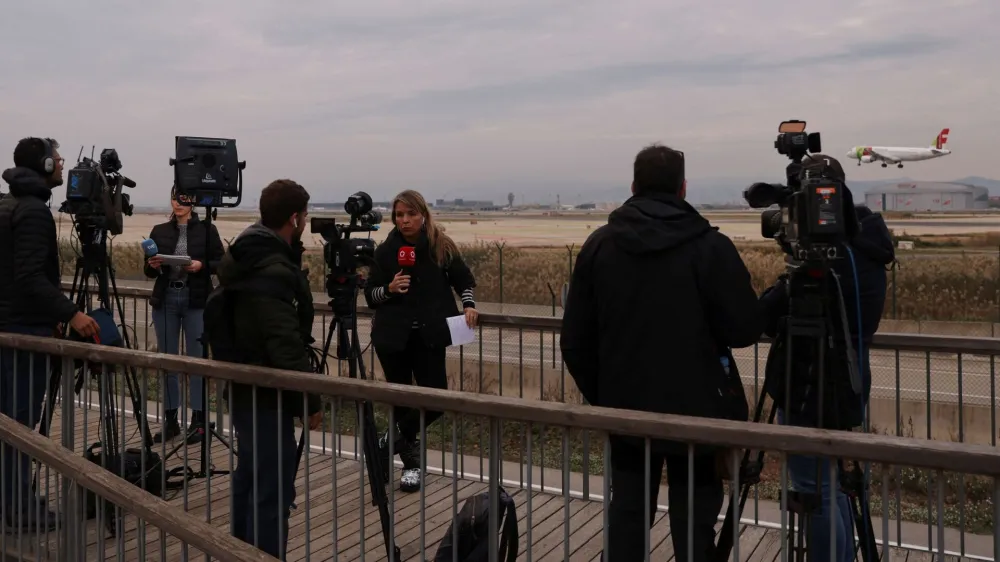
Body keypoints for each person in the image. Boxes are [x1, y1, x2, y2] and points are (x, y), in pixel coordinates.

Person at [560, 143, 763, 561]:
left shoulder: (599, 246)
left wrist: (606, 395)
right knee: (695, 526)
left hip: (627, 414)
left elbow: (575, 341)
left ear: (633, 186)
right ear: (683, 188)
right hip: (699, 417)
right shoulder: (710, 247)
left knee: (628, 517)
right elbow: (744, 329)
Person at [758, 155, 894, 562]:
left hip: (809, 380)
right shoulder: (868, 250)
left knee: (814, 487)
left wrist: (790, 280)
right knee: (835, 482)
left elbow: (761, 318)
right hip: (852, 376)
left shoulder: (831, 259)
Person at [217, 179, 324, 560]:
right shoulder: (273, 269)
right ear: (294, 218)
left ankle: (238, 550)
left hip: (245, 386)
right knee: (273, 488)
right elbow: (285, 345)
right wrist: (308, 399)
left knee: (250, 476)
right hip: (267, 393)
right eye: (305, 217)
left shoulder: (248, 254)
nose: (307, 224)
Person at [0, 137, 99, 531]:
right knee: (21, 425)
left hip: (9, 330)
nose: (62, 165)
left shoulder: (7, 205)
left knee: (8, 423)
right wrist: (72, 313)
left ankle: (14, 498)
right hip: (24, 332)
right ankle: (19, 511)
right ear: (43, 165)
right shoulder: (35, 212)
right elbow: (29, 278)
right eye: (57, 159)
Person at [364, 189, 478, 494]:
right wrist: (388, 288)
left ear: (423, 214)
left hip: (429, 336)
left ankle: (386, 443)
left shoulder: (441, 246)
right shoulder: (386, 251)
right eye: (399, 215)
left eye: (411, 214)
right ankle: (412, 467)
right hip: (393, 337)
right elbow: (370, 295)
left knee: (435, 400)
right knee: (402, 402)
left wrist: (469, 304)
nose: (405, 220)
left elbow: (464, 279)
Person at [143, 187, 224, 444]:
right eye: (174, 198)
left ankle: (199, 421)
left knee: (196, 362)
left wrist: (201, 266)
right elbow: (149, 272)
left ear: (193, 201)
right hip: (166, 298)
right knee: (168, 362)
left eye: (183, 198)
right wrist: (152, 265)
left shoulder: (207, 230)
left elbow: (222, 262)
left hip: (196, 299)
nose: (178, 203)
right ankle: (171, 421)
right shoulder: (159, 231)